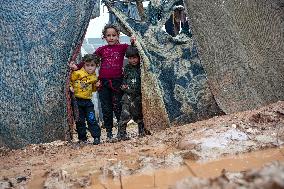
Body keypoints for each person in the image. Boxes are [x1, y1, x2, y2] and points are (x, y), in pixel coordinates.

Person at [70, 24, 135, 142]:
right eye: (108, 35)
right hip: (103, 83)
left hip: (117, 83)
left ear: (118, 36)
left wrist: (133, 42)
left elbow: (133, 51)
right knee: (106, 107)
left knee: (118, 107)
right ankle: (109, 132)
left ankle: (121, 132)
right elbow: (88, 59)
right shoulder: (102, 50)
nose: (111, 38)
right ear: (104, 37)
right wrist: (77, 66)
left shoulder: (123, 48)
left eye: (113, 35)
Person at [117, 45, 149, 141]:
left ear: (139, 57)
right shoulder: (127, 68)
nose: (133, 60)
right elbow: (124, 80)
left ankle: (142, 132)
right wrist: (123, 86)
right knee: (124, 114)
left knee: (139, 114)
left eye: (135, 58)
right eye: (130, 58)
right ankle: (121, 134)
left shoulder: (142, 68)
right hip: (127, 95)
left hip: (138, 95)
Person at [70, 54, 101, 145]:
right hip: (77, 101)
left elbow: (93, 90)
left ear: (96, 66)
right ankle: (82, 138)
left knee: (91, 119)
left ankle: (96, 136)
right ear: (84, 65)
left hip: (88, 102)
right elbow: (70, 80)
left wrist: (96, 86)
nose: (90, 68)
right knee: (80, 120)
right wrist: (71, 87)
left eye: (92, 65)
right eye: (87, 65)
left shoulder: (94, 77)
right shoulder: (78, 73)